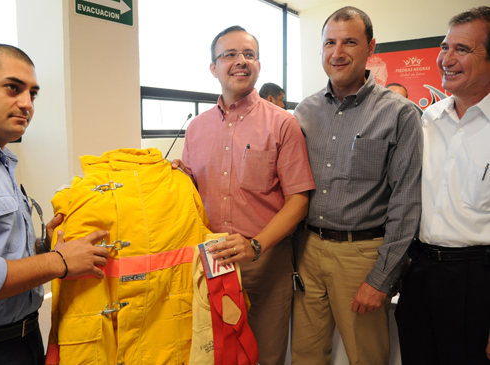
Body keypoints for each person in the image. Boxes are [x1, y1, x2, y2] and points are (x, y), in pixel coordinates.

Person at [0, 44, 110, 364]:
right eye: (12, 88)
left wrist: (38, 249)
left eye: (33, 93)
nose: (26, 104)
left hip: (23, 341)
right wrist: (59, 261)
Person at [172, 26, 314, 365]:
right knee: (213, 357)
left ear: (259, 65)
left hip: (264, 266)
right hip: (208, 265)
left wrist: (255, 246)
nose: (241, 62)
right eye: (230, 55)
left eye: (249, 55)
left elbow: (299, 199)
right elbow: (190, 190)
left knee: (265, 356)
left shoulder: (283, 124)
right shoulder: (196, 127)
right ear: (213, 68)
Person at [292, 7, 422, 365]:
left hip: (361, 254)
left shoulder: (399, 114)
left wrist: (381, 278)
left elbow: (406, 202)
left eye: (350, 41)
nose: (338, 52)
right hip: (307, 249)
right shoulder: (304, 111)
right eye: (330, 43)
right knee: (305, 354)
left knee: (367, 356)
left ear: (371, 47)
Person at [395, 6, 490, 365]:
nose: (446, 59)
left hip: (477, 281)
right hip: (421, 274)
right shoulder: (429, 118)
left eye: (462, 50)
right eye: (444, 47)